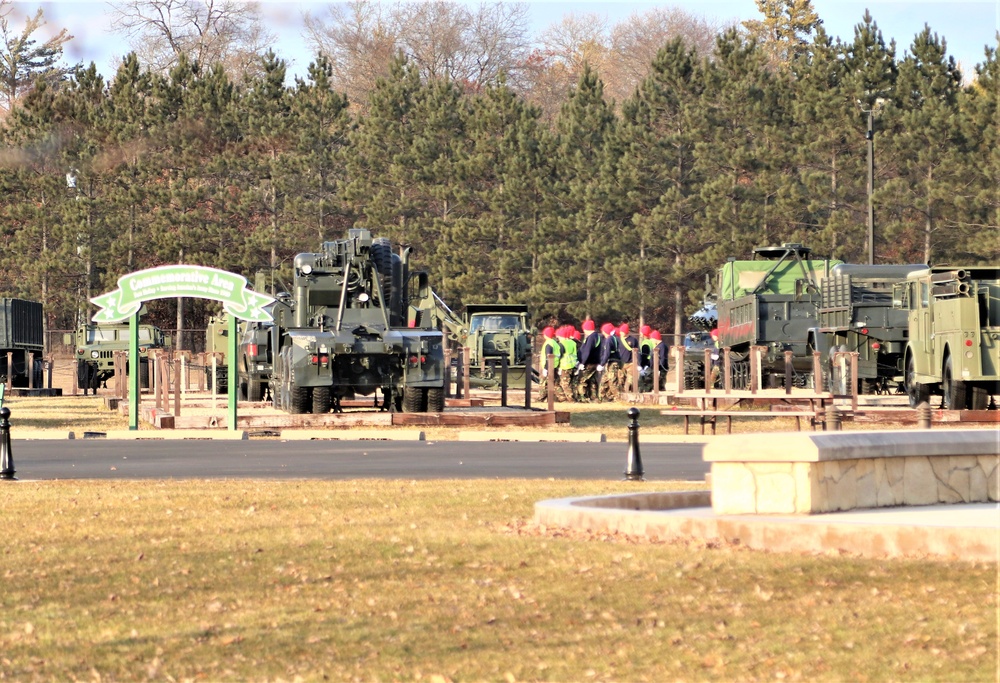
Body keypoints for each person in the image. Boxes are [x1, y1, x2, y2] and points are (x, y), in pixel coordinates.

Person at [575, 319, 601, 402]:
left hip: (589, 362)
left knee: (582, 380)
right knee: (592, 380)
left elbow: (587, 351)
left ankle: (583, 397)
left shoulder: (591, 338)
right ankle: (594, 397)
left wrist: (583, 362)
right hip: (595, 362)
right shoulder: (597, 336)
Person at [536, 326, 562, 403]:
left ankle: (541, 398)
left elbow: (548, 356)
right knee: (555, 383)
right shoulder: (555, 343)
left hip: (549, 366)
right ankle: (559, 397)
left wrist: (545, 368)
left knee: (543, 383)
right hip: (555, 365)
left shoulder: (548, 343)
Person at [598, 322, 621, 402]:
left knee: (612, 382)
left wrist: (601, 364)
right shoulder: (615, 338)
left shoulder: (609, 339)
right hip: (614, 362)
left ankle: (618, 398)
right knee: (604, 381)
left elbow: (607, 353)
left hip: (612, 362)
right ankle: (602, 397)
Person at [616, 323, 639, 394]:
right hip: (621, 363)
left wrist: (638, 363)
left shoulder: (633, 340)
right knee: (620, 380)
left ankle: (630, 393)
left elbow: (637, 351)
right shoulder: (618, 340)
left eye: (622, 332)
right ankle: (622, 394)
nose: (621, 333)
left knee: (630, 380)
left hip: (631, 363)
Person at [556, 326, 578, 402]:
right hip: (573, 365)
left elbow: (559, 356)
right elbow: (575, 354)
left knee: (565, 384)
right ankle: (575, 397)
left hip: (564, 366)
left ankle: (571, 399)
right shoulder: (573, 343)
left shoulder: (561, 344)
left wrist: (558, 367)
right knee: (572, 383)